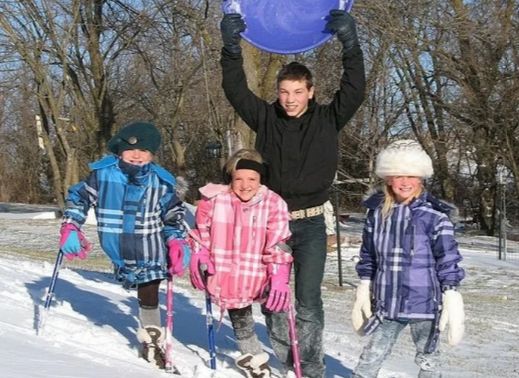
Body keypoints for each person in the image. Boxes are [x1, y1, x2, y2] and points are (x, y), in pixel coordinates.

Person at [220, 9, 366, 378]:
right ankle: (289, 362)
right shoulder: (266, 118)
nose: (289, 99)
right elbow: (235, 89)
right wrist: (230, 47)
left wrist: (351, 42)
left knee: (308, 303)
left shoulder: (328, 119)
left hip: (312, 224)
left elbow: (355, 87)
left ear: (310, 92)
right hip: (272, 225)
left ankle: (311, 369)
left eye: (297, 92)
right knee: (274, 300)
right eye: (284, 92)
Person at [59, 121, 189, 369]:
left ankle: (151, 337)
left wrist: (176, 240)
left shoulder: (161, 182)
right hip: (116, 245)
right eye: (132, 150)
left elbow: (173, 215)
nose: (137, 155)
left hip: (150, 245)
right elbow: (79, 198)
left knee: (149, 286)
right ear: (120, 150)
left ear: (152, 155)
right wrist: (71, 225)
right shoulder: (103, 174)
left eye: (144, 151)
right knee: (133, 280)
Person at [351, 140, 466, 378]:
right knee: (371, 356)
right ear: (388, 179)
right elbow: (368, 254)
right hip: (387, 303)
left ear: (421, 178)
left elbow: (447, 258)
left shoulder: (435, 217)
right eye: (398, 175)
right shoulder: (376, 215)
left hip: (424, 303)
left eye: (411, 176)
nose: (404, 182)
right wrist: (364, 286)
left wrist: (451, 293)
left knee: (428, 358)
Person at [189, 149, 293, 378]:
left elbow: (278, 241)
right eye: (239, 179)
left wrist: (279, 274)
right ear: (231, 178)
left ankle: (291, 365)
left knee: (279, 317)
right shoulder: (215, 200)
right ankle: (254, 359)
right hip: (227, 272)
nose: (245, 185)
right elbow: (201, 232)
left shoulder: (273, 202)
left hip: (261, 271)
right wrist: (200, 253)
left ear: (261, 179)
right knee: (240, 317)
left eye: (252, 179)